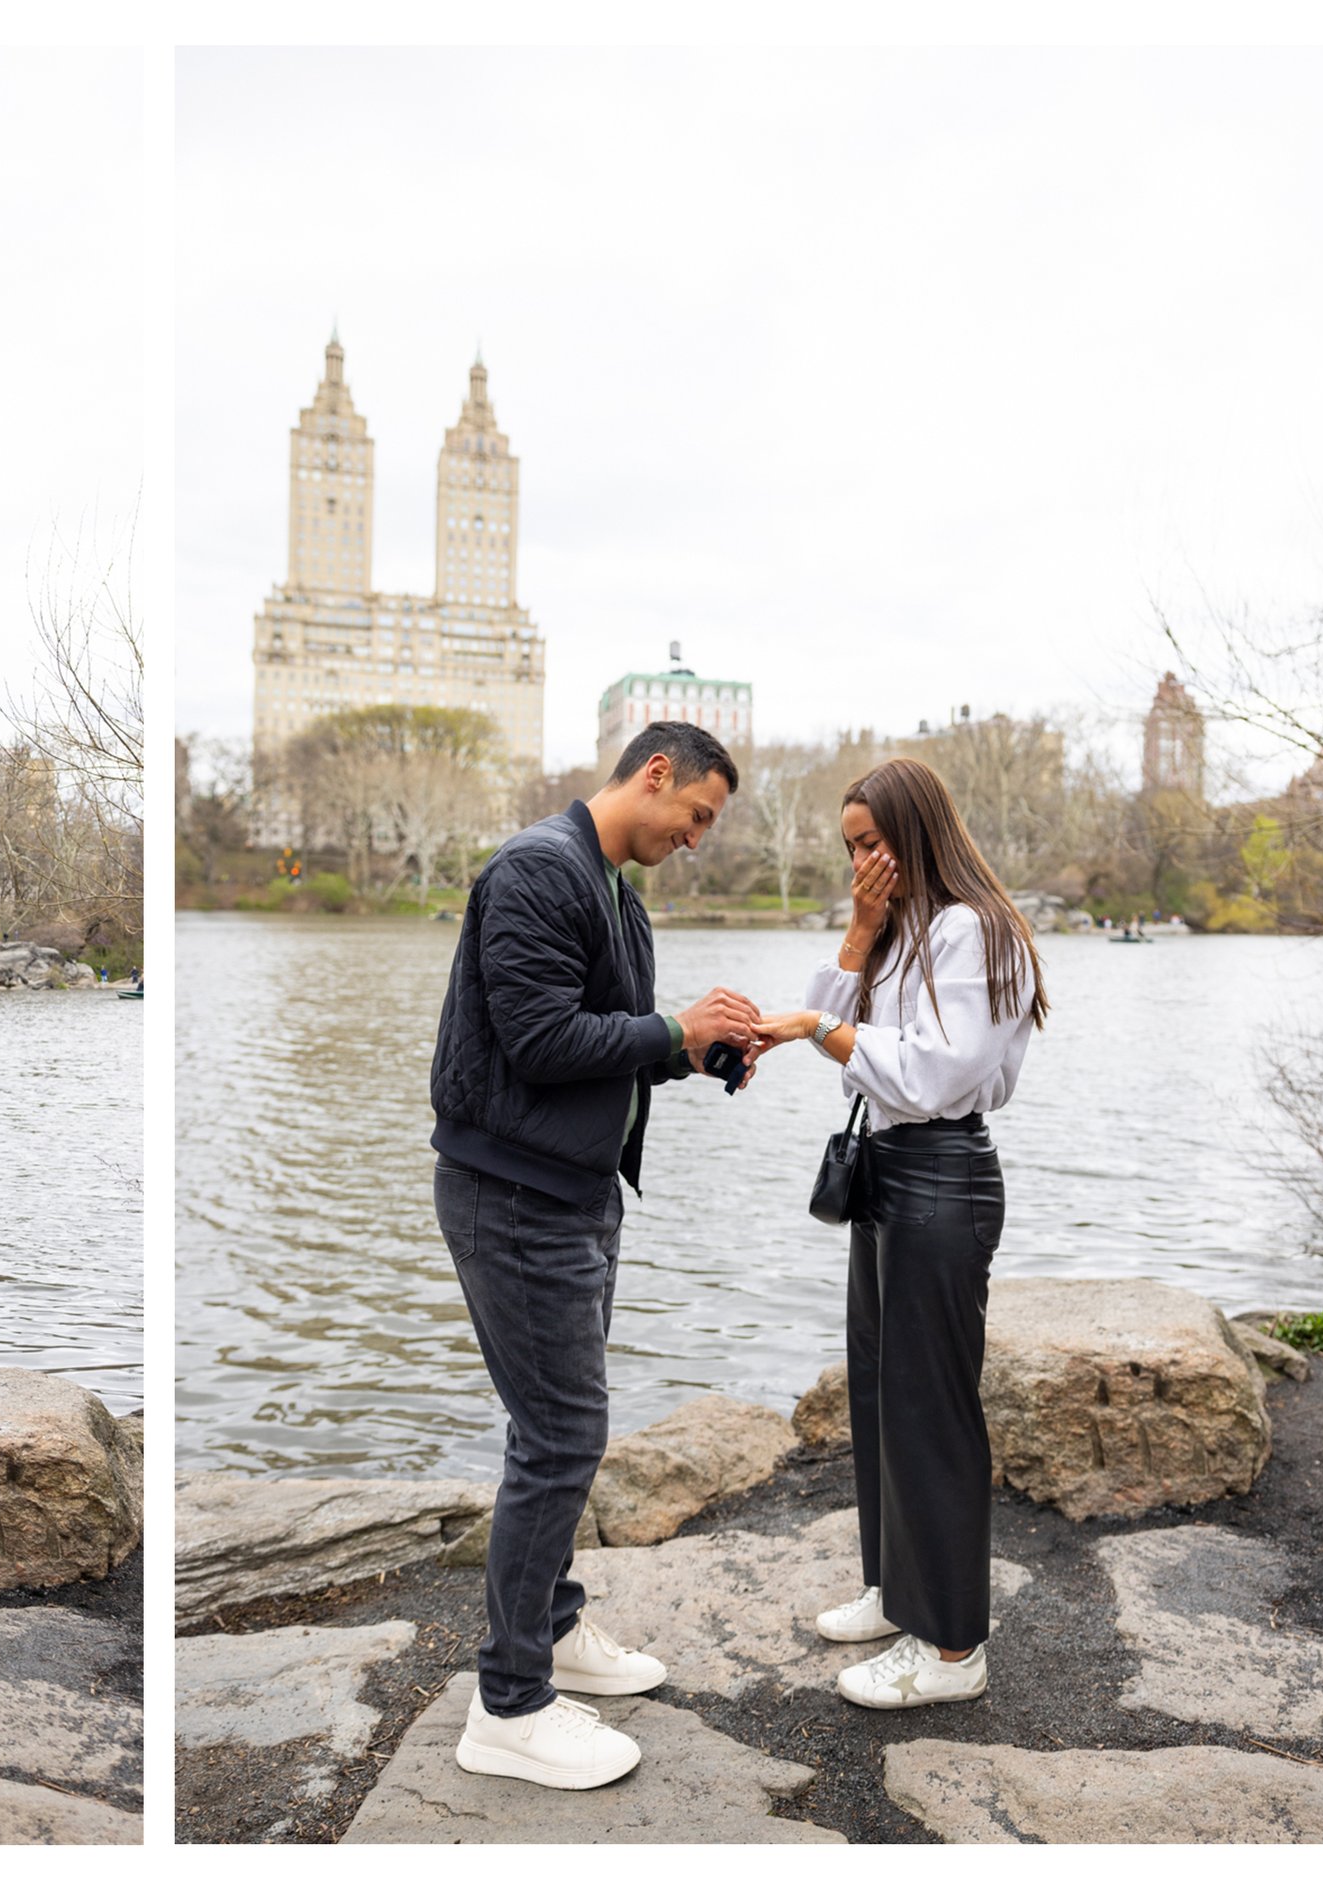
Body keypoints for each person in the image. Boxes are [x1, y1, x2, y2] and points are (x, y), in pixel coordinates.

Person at [427, 721, 762, 1791]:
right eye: (697, 814)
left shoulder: (613, 887)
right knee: (563, 1434)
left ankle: (554, 1628)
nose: (697, 838)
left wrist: (695, 1052)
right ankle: (508, 1705)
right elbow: (536, 1039)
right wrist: (668, 1029)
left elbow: (602, 1046)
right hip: (511, 1195)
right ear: (654, 774)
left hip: (572, 1192)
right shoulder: (537, 868)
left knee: (558, 1430)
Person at [749, 756, 1045, 1710]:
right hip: (889, 1175)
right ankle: (895, 1590)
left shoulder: (973, 928)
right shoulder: (906, 927)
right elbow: (847, 1046)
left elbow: (930, 1077)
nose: (862, 861)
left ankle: (953, 1647)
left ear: (919, 830)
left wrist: (815, 1030)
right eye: (849, 848)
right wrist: (861, 929)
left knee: (932, 1409)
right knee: (880, 1392)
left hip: (942, 1175)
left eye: (872, 842)